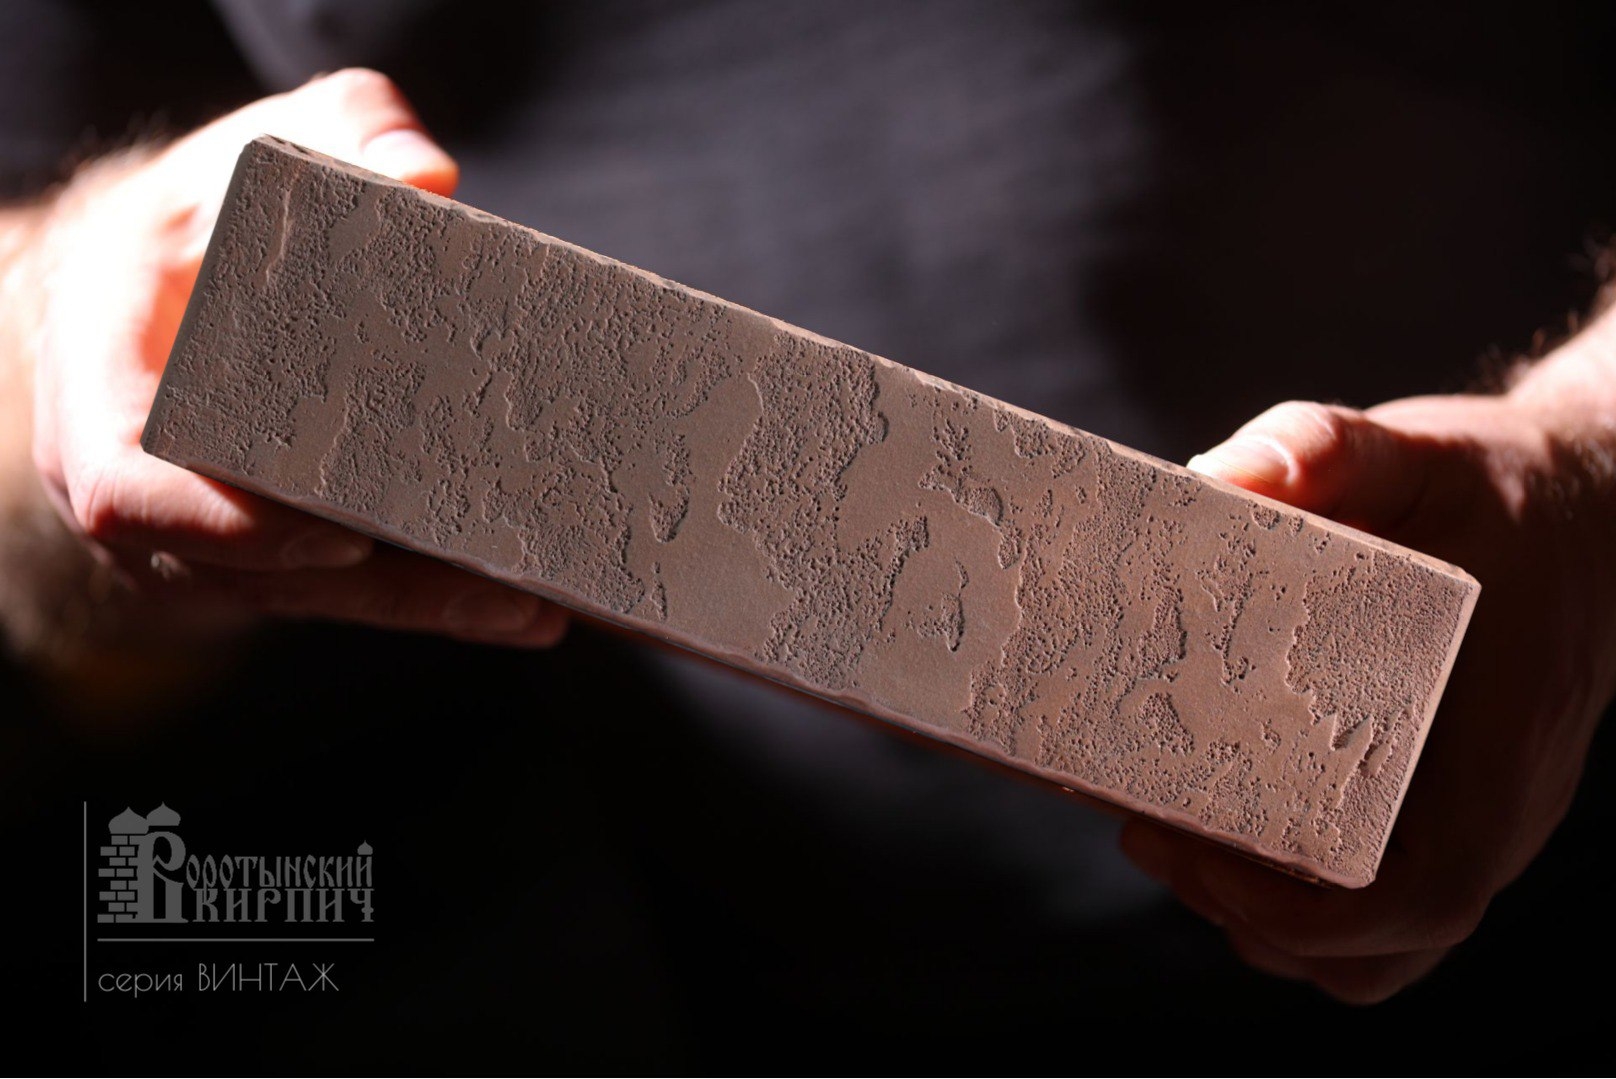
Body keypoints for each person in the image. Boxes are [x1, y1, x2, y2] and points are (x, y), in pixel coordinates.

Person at [6, 1, 1616, 1065]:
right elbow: (26, 370)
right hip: (792, 960)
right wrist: (79, 319)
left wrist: (1586, 460)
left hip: (1536, 825)